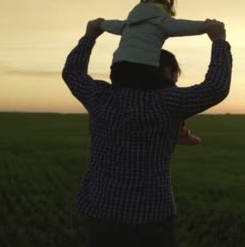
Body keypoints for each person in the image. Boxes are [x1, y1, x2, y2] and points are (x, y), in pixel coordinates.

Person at [62, 17, 232, 247]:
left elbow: (72, 73)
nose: (175, 81)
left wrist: (89, 37)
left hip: (101, 214)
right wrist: (219, 40)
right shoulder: (168, 103)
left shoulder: (100, 96)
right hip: (152, 219)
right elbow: (216, 87)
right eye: (175, 75)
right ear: (164, 71)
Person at [100, 0, 213, 89]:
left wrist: (99, 23)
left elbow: (111, 24)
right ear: (166, 10)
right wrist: (206, 25)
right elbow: (184, 26)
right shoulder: (161, 21)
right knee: (167, 90)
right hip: (145, 70)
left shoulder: (128, 23)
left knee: (123, 92)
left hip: (117, 70)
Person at [158, 49, 202, 146]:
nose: (177, 80)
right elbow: (216, 87)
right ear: (167, 70)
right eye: (176, 73)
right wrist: (219, 40)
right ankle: (181, 133)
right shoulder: (169, 96)